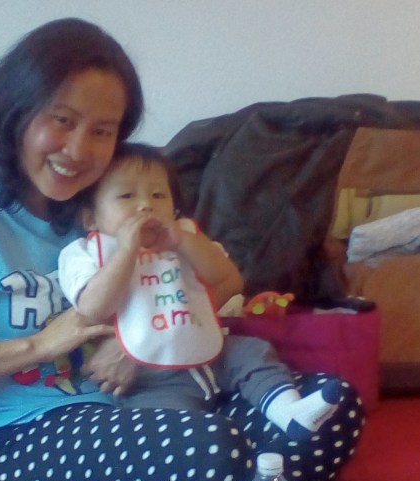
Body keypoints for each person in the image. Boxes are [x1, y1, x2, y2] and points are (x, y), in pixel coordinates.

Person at [0, 18, 364, 481]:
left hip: (139, 405)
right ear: (14, 112)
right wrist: (38, 345)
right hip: (26, 435)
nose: (78, 149)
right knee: (206, 448)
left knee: (333, 406)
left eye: (102, 131)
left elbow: (209, 286)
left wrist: (138, 345)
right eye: (62, 120)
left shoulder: (107, 206)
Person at [58, 142, 342, 441]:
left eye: (158, 195)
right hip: (154, 379)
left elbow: (225, 277)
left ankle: (289, 412)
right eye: (127, 196)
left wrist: (183, 242)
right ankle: (221, 450)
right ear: (90, 219)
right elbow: (94, 307)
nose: (145, 205)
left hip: (214, 354)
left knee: (253, 352)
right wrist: (126, 250)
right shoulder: (85, 253)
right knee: (176, 431)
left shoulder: (183, 237)